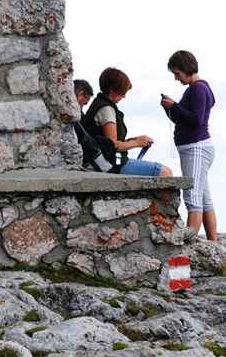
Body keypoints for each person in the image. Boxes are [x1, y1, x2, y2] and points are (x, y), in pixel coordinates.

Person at [160, 49, 216, 241]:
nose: (176, 78)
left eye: (177, 73)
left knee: (193, 200)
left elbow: (197, 119)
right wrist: (171, 109)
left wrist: (175, 106)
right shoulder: (196, 89)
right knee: (204, 200)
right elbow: (185, 120)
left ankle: (189, 246)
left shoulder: (198, 88)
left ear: (186, 68)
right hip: (193, 149)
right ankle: (213, 245)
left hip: (197, 148)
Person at [83, 67, 173, 177]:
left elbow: (105, 141)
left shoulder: (99, 104)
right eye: (122, 91)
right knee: (165, 172)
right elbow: (113, 145)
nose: (124, 96)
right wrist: (137, 143)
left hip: (106, 162)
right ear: (112, 89)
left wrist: (131, 140)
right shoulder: (106, 109)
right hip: (111, 164)